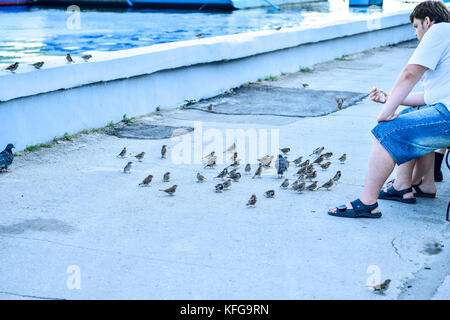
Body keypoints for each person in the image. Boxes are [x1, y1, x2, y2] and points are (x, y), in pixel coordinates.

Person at [328, 0, 450, 218]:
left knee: (387, 130)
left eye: (415, 27)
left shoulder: (439, 31)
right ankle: (411, 186)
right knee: (409, 115)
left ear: (428, 22)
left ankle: (367, 203)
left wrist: (385, 114)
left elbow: (409, 74)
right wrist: (390, 99)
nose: (415, 34)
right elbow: (432, 97)